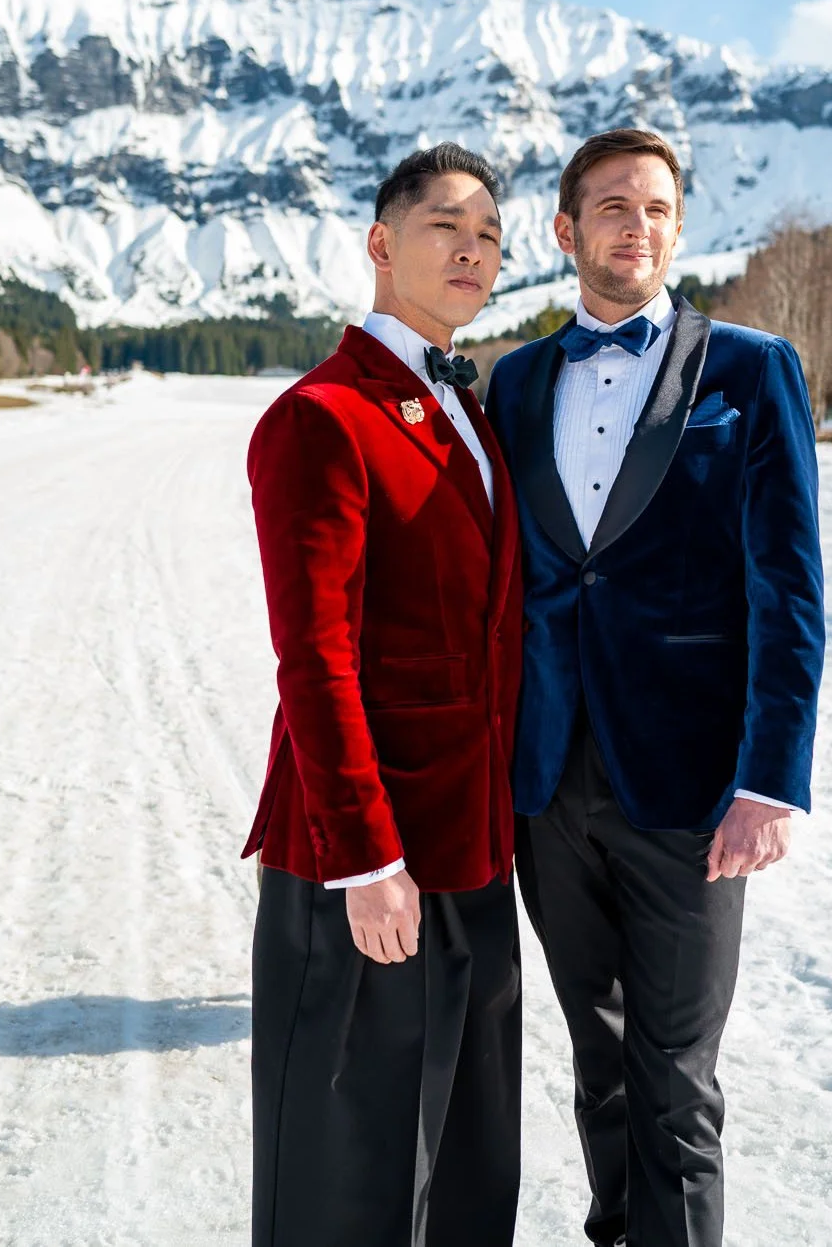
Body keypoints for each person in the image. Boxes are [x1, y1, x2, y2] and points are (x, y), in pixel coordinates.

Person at [485, 128, 825, 1247]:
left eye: (658, 209)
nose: (637, 227)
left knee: (676, 1078)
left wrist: (769, 778)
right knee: (598, 1059)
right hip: (547, 782)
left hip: (688, 787)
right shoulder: (516, 380)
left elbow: (787, 586)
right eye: (614, 207)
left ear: (677, 228)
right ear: (566, 228)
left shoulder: (749, 369)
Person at [244, 143, 523, 1247]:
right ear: (378, 243)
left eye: (490, 234)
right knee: (346, 1181)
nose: (471, 247)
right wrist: (367, 860)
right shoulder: (321, 416)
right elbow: (313, 658)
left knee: (463, 1163)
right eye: (445, 224)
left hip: (472, 843)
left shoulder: (467, 406)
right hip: (366, 861)